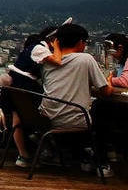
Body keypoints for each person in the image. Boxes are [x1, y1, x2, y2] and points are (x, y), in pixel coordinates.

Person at [39, 22, 115, 174]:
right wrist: (109, 80)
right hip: (74, 120)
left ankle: (83, 157)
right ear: (81, 42)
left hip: (46, 118)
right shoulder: (85, 59)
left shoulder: (46, 61)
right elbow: (106, 92)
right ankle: (102, 162)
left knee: (81, 110)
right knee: (102, 109)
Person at [0, 25, 56, 167]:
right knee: (42, 115)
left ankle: (23, 155)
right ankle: (40, 139)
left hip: (12, 87)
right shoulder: (41, 49)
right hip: (26, 88)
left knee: (16, 121)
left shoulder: (29, 51)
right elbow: (58, 61)